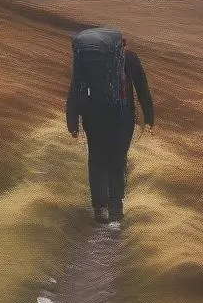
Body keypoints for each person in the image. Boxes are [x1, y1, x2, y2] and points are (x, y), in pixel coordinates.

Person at [66, 29, 154, 224]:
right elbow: (142, 89)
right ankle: (116, 207)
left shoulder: (86, 61)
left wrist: (73, 123)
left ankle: (99, 209)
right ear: (121, 44)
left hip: (93, 116)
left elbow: (75, 90)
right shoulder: (129, 58)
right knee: (118, 159)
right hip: (122, 118)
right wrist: (149, 119)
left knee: (96, 159)